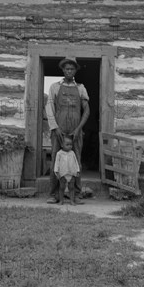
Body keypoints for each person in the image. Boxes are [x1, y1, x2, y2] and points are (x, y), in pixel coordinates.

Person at [45, 57, 90, 204]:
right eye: (66, 69)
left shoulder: (81, 88)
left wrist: (78, 129)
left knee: (76, 161)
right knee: (55, 161)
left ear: (75, 70)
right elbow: (49, 108)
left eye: (72, 69)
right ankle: (54, 194)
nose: (69, 71)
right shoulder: (55, 87)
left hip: (75, 131)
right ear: (63, 70)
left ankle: (76, 194)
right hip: (59, 130)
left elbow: (87, 111)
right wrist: (55, 127)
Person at [53, 135, 80, 205]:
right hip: (63, 173)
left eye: (71, 145)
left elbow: (76, 162)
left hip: (72, 173)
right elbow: (56, 163)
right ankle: (61, 200)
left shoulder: (72, 153)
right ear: (62, 145)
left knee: (71, 187)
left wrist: (77, 170)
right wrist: (56, 172)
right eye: (67, 144)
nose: (69, 146)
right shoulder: (59, 153)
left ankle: (72, 201)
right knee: (62, 187)